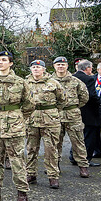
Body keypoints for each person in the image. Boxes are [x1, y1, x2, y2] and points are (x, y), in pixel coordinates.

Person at [0, 51, 34, 201]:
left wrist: (16, 116)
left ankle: (22, 193)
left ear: (11, 63)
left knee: (17, 160)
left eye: (4, 60)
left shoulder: (20, 82)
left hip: (13, 126)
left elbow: (29, 104)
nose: (1, 63)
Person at [24, 60, 66, 188]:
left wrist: (51, 111)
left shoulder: (53, 83)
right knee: (31, 148)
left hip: (50, 121)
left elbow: (62, 100)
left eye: (38, 67)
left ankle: (53, 176)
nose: (36, 69)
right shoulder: (25, 83)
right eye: (33, 67)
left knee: (51, 149)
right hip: (31, 120)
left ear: (44, 69)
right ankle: (30, 173)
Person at [51, 57, 91, 179]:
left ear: (67, 66)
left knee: (78, 141)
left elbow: (84, 97)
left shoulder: (76, 81)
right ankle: (54, 167)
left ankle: (83, 167)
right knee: (54, 142)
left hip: (72, 115)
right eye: (58, 64)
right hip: (55, 115)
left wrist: (74, 107)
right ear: (54, 66)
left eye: (63, 64)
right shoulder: (49, 81)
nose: (60, 67)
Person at [74, 60, 101, 166]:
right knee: (89, 136)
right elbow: (92, 96)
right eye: (91, 68)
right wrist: (98, 105)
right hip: (88, 111)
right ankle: (86, 158)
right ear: (87, 68)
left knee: (76, 136)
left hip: (75, 111)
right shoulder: (89, 79)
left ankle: (74, 156)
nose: (91, 70)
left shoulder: (72, 77)